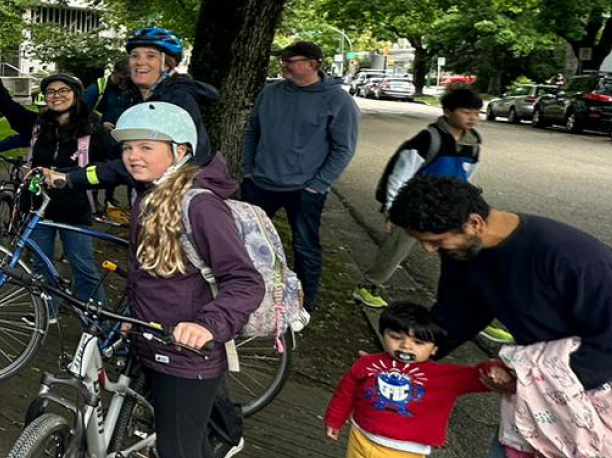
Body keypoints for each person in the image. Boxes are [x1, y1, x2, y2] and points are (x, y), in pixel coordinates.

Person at [41, 102, 260, 458]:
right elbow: (157, 276)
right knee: (186, 442)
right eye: (128, 148)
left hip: (187, 355)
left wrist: (207, 326)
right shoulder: (152, 196)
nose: (132, 156)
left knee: (177, 450)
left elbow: (245, 281)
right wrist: (135, 314)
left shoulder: (199, 205)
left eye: (146, 147)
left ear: (180, 151)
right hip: (152, 338)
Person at [383, 176, 612, 457]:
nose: (429, 250)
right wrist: (392, 362)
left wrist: (531, 382)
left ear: (475, 223)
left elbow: (608, 342)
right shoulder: (464, 252)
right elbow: (454, 317)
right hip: (535, 387)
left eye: (435, 241)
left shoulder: (572, 258)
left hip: (594, 390)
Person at [0, 54, 119, 305]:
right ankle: (47, 310)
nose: (56, 95)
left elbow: (115, 164)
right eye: (50, 91)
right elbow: (9, 107)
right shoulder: (38, 125)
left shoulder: (91, 129)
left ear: (75, 94)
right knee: (41, 266)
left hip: (75, 210)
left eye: (63, 90)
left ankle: (97, 322)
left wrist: (80, 177)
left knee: (83, 268)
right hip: (38, 208)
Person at [239, 41, 360, 312]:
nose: (283, 64)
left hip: (305, 190)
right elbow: (252, 132)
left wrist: (318, 186)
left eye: (290, 60)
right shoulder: (270, 93)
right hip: (260, 183)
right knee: (245, 242)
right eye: (282, 59)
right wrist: (248, 170)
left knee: (305, 246)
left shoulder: (338, 100)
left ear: (312, 64)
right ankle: (245, 294)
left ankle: (305, 304)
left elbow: (343, 148)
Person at [324, 302, 512, 458]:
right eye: (396, 337)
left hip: (405, 451)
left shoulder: (444, 376)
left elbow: (475, 376)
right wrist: (334, 419)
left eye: (419, 342)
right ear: (384, 335)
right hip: (360, 435)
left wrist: (493, 370)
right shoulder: (367, 363)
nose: (406, 345)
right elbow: (346, 391)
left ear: (435, 349)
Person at [354, 88, 483, 311]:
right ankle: (368, 286)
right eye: (466, 112)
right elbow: (400, 174)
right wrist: (393, 209)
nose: (472, 118)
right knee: (397, 248)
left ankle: (463, 304)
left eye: (476, 113)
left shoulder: (473, 143)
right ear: (447, 112)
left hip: (450, 206)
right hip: (416, 206)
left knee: (460, 253)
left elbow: (467, 175)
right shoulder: (428, 139)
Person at [104, 27, 219, 162]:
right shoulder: (138, 97)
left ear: (167, 65)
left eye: (150, 56)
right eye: (135, 56)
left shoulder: (177, 97)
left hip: (182, 180)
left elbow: (162, 159)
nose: (140, 62)